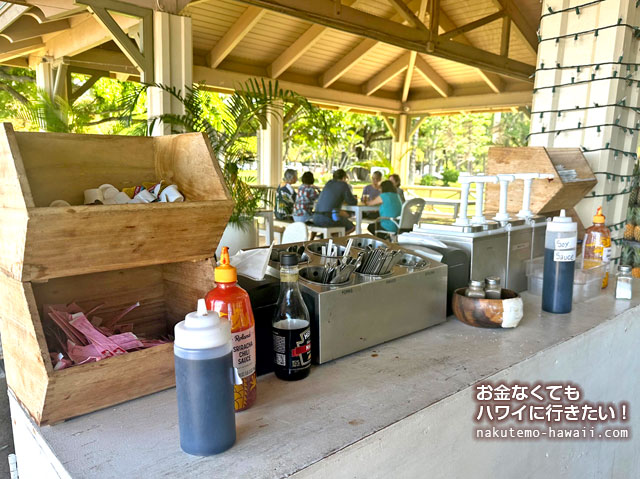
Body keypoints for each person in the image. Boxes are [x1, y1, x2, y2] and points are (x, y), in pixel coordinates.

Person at [312, 169, 357, 234]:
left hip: (316, 217)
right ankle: (337, 239)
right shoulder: (343, 185)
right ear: (344, 177)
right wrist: (355, 198)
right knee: (351, 227)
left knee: (339, 218)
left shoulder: (329, 183)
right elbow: (352, 202)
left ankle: (333, 238)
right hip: (327, 219)